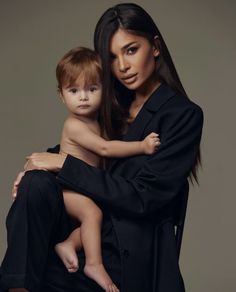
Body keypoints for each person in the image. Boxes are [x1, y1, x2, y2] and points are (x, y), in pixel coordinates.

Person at [0, 3, 203, 292]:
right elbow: (84, 144)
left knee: (42, 270)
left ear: (155, 47)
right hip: (79, 235)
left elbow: (143, 198)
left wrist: (61, 164)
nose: (122, 66)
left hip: (124, 250)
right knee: (35, 184)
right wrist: (38, 163)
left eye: (131, 50)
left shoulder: (182, 115)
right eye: (112, 57)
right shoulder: (110, 100)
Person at [54, 46, 160, 292]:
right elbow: (104, 149)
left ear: (104, 89)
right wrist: (142, 146)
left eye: (92, 89)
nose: (83, 97)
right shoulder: (74, 125)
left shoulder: (97, 122)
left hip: (83, 188)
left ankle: (69, 244)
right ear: (61, 95)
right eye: (74, 91)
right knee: (93, 214)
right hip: (68, 188)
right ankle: (94, 264)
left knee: (97, 217)